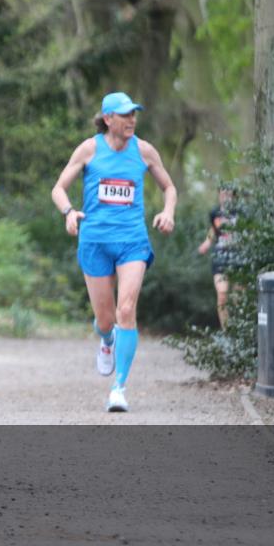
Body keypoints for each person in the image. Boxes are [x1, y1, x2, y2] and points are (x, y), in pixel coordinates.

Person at [51, 92, 176, 412]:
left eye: (134, 113)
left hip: (133, 240)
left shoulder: (144, 151)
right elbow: (59, 188)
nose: (132, 119)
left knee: (127, 310)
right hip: (94, 241)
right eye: (125, 114)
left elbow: (169, 187)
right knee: (106, 320)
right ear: (108, 119)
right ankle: (106, 341)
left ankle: (119, 387)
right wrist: (69, 213)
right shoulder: (90, 149)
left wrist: (168, 212)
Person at [197, 187, 237, 328]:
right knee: (222, 294)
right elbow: (213, 230)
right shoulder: (214, 213)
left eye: (228, 195)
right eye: (222, 195)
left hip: (239, 258)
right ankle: (227, 332)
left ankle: (240, 333)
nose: (225, 198)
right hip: (220, 257)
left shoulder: (240, 213)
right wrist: (207, 242)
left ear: (233, 197)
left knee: (239, 298)